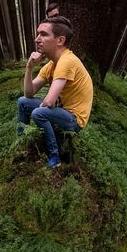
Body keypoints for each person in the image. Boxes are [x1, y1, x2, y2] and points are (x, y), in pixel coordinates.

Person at [17, 13, 93, 167]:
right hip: (61, 111)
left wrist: (38, 110)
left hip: (74, 119)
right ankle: (22, 142)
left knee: (39, 112)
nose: (37, 39)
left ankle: (55, 157)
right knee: (23, 102)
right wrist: (29, 66)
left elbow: (49, 102)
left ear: (60, 40)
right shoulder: (52, 64)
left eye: (43, 34)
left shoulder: (67, 61)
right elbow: (28, 93)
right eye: (38, 34)